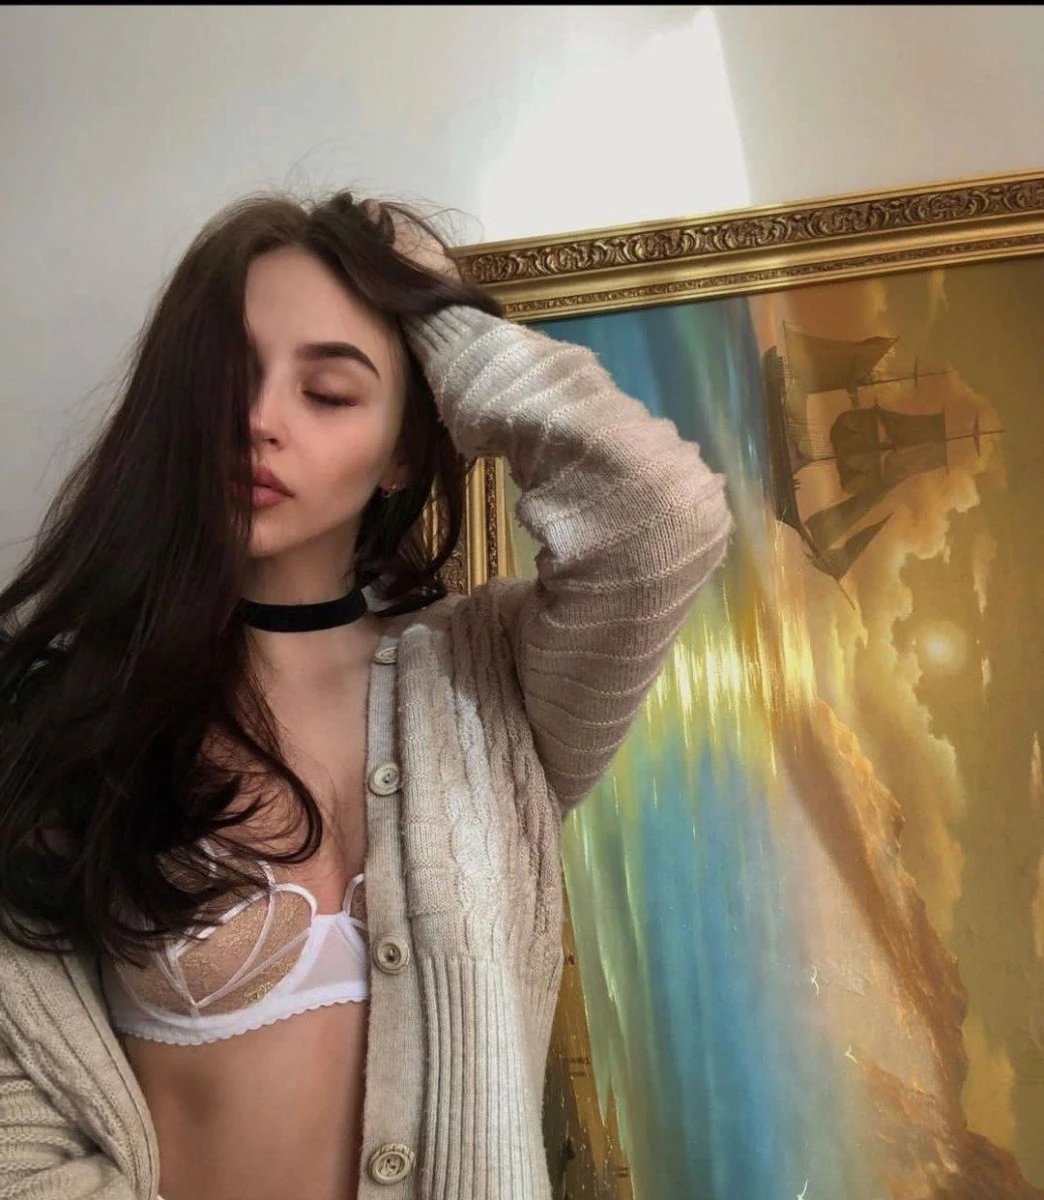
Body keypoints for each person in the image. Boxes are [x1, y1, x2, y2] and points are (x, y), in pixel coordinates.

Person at [0, 189, 732, 1200]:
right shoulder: (71, 710)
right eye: (224, 383)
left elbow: (663, 515)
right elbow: (14, 1116)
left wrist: (428, 309)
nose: (258, 422)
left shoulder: (498, 684)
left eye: (330, 391)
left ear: (403, 450)